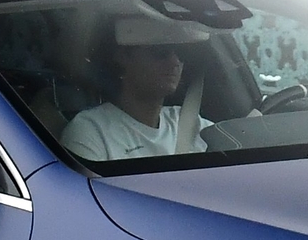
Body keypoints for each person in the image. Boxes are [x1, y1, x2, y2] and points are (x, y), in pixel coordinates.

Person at [62, 12, 211, 161]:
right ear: (123, 57)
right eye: (160, 51)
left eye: (181, 53)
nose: (174, 61)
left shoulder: (190, 122)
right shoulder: (91, 131)